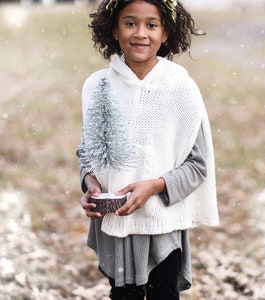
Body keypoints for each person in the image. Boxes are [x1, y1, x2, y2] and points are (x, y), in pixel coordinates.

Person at [77, 0, 219, 299]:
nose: (140, 33)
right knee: (122, 295)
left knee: (163, 293)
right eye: (130, 23)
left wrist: (153, 186)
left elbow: (198, 165)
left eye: (151, 25)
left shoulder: (180, 88)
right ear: (114, 30)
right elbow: (88, 152)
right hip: (115, 220)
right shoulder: (98, 85)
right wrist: (90, 184)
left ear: (166, 33)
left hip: (161, 224)